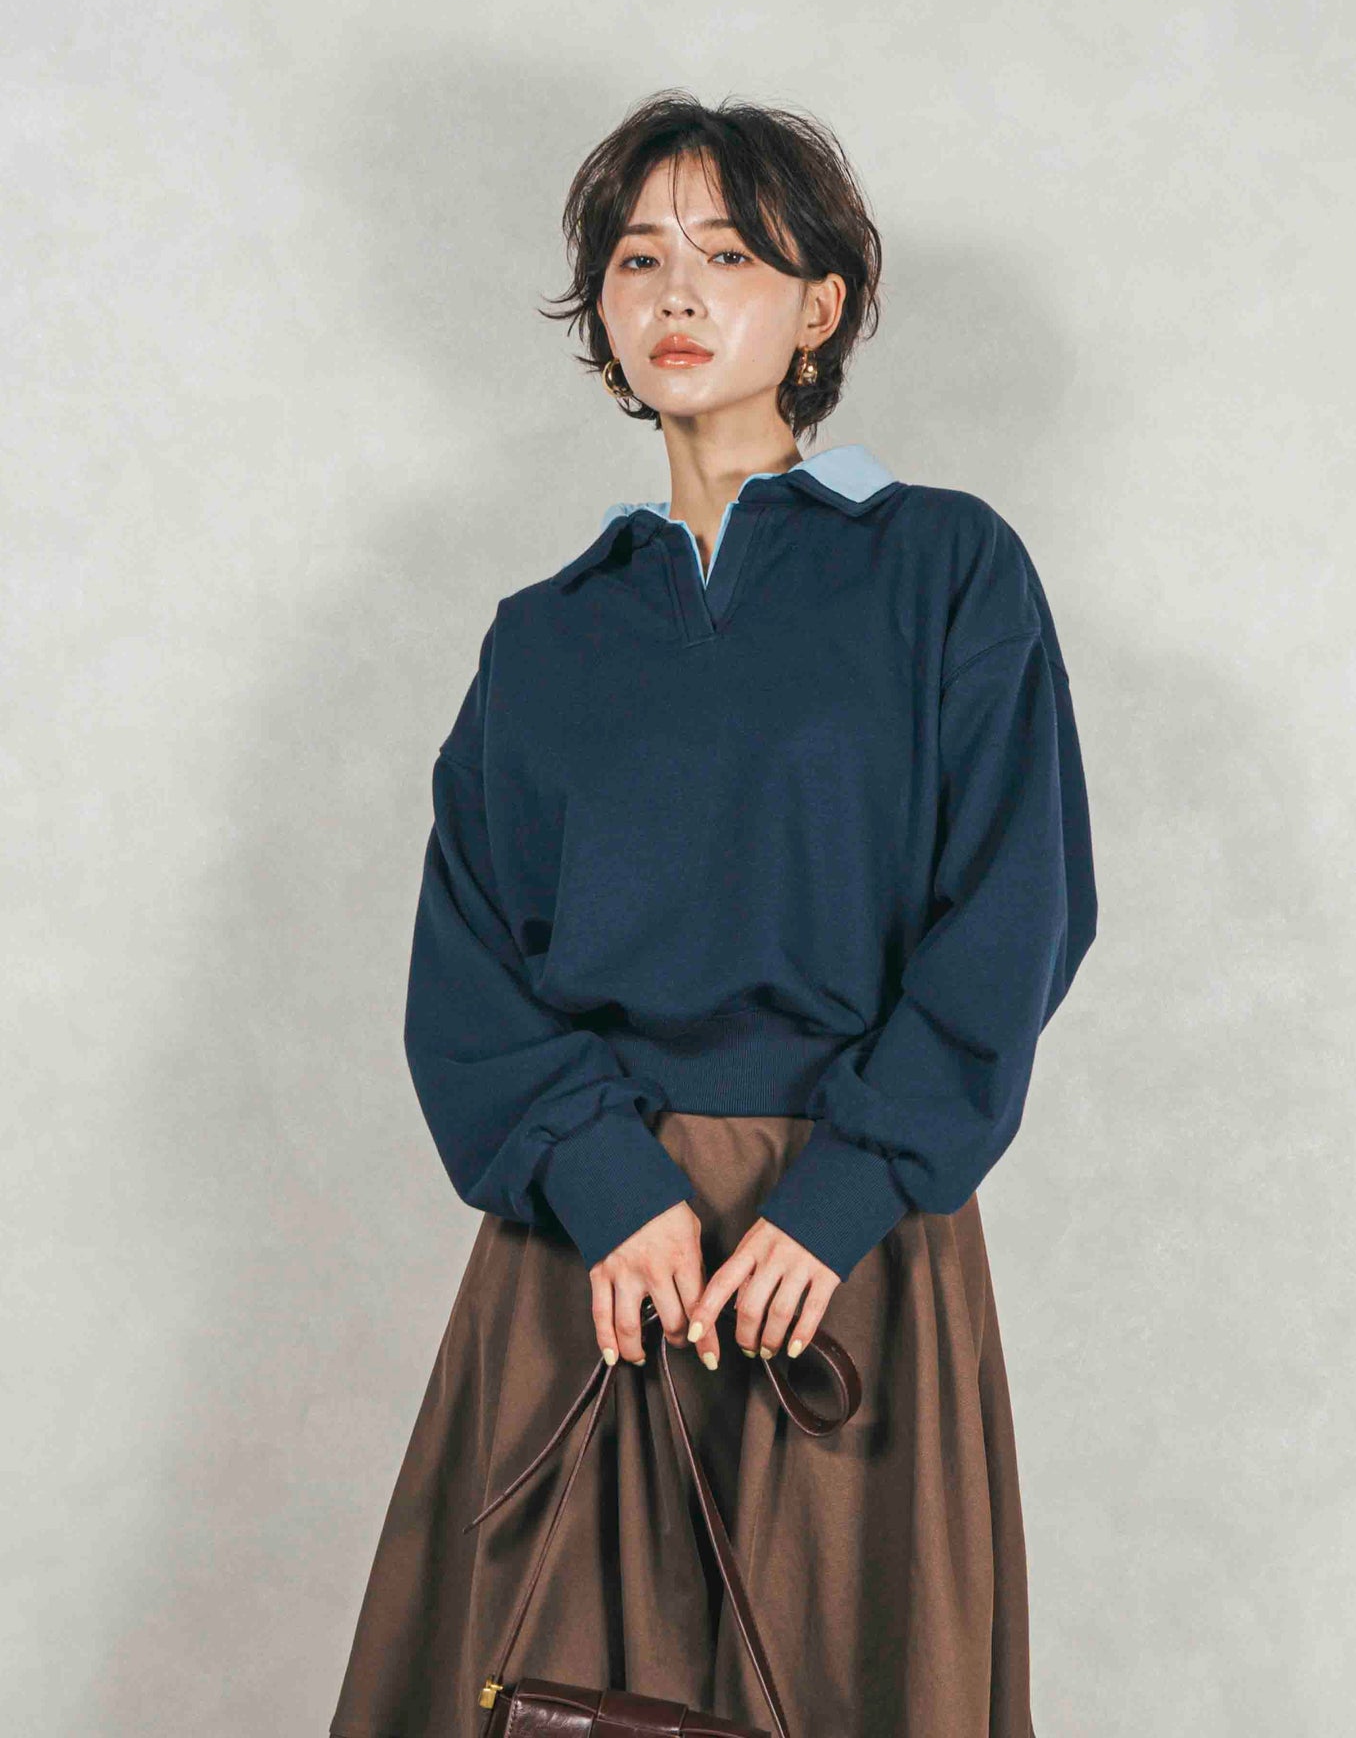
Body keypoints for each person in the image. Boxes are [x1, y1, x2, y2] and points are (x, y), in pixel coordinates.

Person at [330, 89, 1097, 1738]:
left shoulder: (945, 570)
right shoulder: (544, 636)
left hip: (841, 1249)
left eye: (730, 253)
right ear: (601, 314)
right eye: (638, 258)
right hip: (595, 1254)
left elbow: (1017, 913)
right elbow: (469, 963)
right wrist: (608, 1188)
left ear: (819, 307)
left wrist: (844, 1197)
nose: (677, 290)